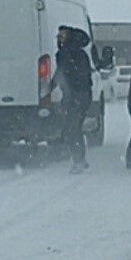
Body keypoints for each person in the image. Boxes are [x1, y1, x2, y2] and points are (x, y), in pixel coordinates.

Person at [51, 25, 94, 173]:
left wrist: (50, 87)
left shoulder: (65, 53)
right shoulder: (80, 53)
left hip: (75, 96)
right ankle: (80, 158)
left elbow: (62, 73)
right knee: (74, 127)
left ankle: (78, 160)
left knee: (72, 129)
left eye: (61, 35)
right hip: (83, 95)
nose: (59, 38)